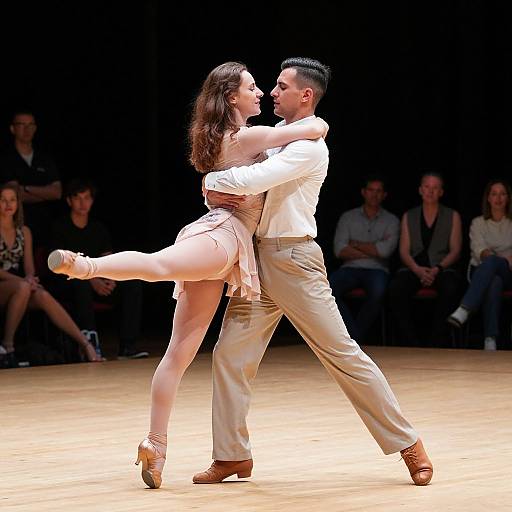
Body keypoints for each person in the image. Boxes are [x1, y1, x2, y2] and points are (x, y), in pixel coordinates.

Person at [46, 61, 329, 488]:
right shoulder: (249, 135)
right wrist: (318, 119)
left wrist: (217, 180)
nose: (261, 94)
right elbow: (311, 130)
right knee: (160, 266)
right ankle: (87, 265)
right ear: (232, 98)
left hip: (221, 241)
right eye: (253, 88)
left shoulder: (220, 137)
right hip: (223, 235)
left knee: (178, 353)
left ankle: (155, 446)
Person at [193, 57, 433, 487]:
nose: (271, 92)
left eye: (281, 86)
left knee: (341, 354)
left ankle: (409, 443)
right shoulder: (276, 138)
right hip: (258, 258)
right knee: (230, 355)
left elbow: (252, 180)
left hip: (295, 260)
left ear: (306, 95)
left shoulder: (308, 146)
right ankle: (232, 455)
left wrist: (212, 182)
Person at [0, 184, 101, 368]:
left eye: (12, 200)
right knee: (24, 287)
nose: (8, 204)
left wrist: (30, 278)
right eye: (3, 200)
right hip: (5, 284)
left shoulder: (24, 231)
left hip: (20, 286)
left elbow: (29, 267)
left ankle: (85, 344)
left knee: (43, 295)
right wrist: (24, 281)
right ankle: (8, 347)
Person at [49, 178, 147, 359]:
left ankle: (127, 346)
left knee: (132, 284)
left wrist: (110, 279)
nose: (82, 203)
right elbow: (60, 265)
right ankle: (91, 346)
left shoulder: (98, 229)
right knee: (81, 285)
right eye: (77, 198)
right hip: (70, 283)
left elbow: (107, 257)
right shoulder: (60, 227)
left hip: (98, 280)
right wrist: (92, 280)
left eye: (87, 198)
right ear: (69, 201)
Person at [388, 172, 462, 347]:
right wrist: (417, 269)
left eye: (435, 188)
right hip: (415, 268)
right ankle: (410, 342)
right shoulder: (409, 216)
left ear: (441, 192)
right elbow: (404, 251)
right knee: (396, 289)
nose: (431, 191)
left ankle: (437, 341)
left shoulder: (452, 215)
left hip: (442, 269)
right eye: (427, 187)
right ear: (420, 190)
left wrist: (437, 269)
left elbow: (455, 251)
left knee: (451, 288)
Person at [328, 175, 399, 342]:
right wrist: (373, 249)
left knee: (378, 292)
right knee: (329, 290)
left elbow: (385, 252)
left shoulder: (391, 220)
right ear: (363, 192)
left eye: (378, 191)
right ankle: (354, 337)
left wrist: (355, 245)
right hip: (349, 268)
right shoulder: (348, 217)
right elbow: (339, 250)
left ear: (384, 195)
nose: (374, 195)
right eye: (371, 190)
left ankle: (353, 339)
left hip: (377, 269)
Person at [448, 179, 512, 350]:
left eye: (502, 194)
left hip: (509, 272)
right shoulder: (478, 223)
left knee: (495, 268)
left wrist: (501, 261)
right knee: (494, 281)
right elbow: (481, 251)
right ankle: (490, 339)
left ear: (508, 198)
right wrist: (499, 258)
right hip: (481, 271)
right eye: (494, 194)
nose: (498, 198)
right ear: (488, 198)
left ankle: (465, 308)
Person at [0, 110, 62, 248]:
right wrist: (45, 193)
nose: (27, 129)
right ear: (12, 128)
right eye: (22, 124)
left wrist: (27, 188)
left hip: (45, 227)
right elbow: (15, 195)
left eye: (30, 125)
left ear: (35, 128)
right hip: (16, 228)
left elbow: (57, 193)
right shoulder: (5, 159)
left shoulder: (45, 158)